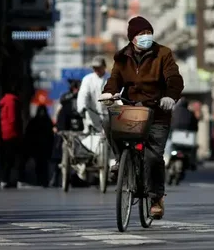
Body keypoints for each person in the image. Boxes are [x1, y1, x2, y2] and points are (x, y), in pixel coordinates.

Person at [101, 16, 184, 220]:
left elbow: (174, 78)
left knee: (153, 156)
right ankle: (121, 159)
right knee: (107, 122)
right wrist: (108, 93)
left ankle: (156, 198)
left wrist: (170, 97)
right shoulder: (121, 57)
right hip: (131, 110)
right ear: (132, 38)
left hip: (157, 112)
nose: (146, 37)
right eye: (141, 34)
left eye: (148, 33)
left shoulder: (163, 54)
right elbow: (114, 80)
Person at [77, 57, 110, 134]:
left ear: (104, 67)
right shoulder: (88, 79)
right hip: (92, 117)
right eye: (94, 68)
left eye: (99, 67)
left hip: (108, 117)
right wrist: (82, 107)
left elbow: (118, 96)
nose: (96, 70)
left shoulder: (111, 79)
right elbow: (83, 94)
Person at [0, 85, 23, 189]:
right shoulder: (12, 101)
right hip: (13, 134)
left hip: (5, 134)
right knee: (17, 158)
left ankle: (5, 180)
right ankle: (18, 180)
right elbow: (13, 119)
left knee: (8, 159)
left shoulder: (5, 101)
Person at [25, 106, 54, 186]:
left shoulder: (46, 122)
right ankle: (40, 180)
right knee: (39, 165)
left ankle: (44, 181)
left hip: (44, 147)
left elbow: (50, 136)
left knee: (44, 165)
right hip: (37, 147)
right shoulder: (35, 122)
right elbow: (29, 135)